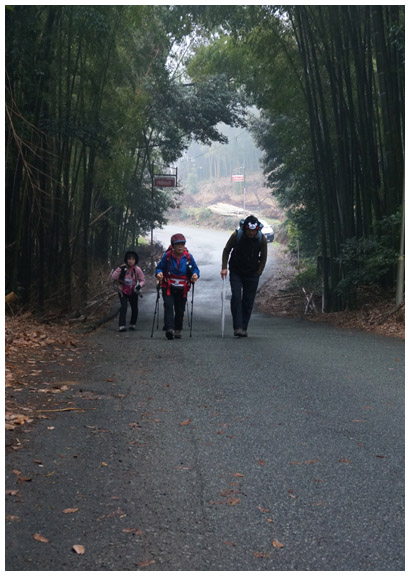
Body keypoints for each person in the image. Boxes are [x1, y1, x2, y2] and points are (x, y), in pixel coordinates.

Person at [221, 215, 268, 337]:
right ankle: (237, 327)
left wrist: (259, 272)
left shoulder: (261, 239)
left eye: (254, 231)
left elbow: (263, 257)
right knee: (236, 297)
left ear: (257, 230)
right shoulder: (237, 235)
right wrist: (224, 267)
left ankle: (244, 327)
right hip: (236, 271)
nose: (251, 233)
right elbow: (226, 250)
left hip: (252, 273)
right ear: (245, 229)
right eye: (249, 230)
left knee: (248, 301)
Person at [155, 233, 200, 340]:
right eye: (178, 244)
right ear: (173, 246)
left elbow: (196, 269)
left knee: (180, 309)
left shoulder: (189, 257)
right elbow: (159, 268)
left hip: (182, 288)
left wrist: (195, 275)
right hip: (168, 286)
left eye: (182, 244)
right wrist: (159, 273)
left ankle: (177, 329)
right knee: (169, 306)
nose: (180, 246)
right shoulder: (167, 256)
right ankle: (169, 329)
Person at [111, 250, 145, 332]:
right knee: (124, 307)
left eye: (133, 259)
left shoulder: (137, 269)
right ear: (126, 260)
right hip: (122, 290)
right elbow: (113, 277)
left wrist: (139, 286)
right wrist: (119, 269)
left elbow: (142, 280)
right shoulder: (122, 268)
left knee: (134, 308)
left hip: (133, 290)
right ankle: (122, 325)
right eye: (129, 259)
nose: (131, 261)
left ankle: (132, 324)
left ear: (135, 260)